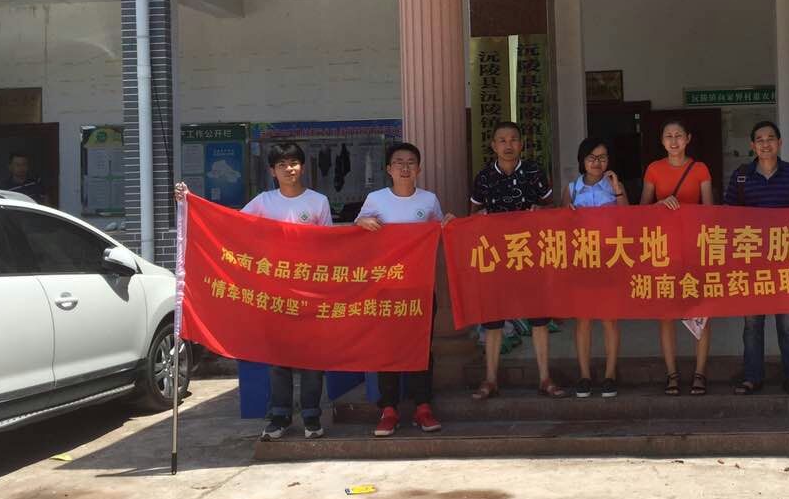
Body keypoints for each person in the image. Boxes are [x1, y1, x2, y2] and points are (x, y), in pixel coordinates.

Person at [175, 141, 333, 441]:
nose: (289, 169)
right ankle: (280, 415)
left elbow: (327, 246)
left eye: (294, 162)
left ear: (302, 166)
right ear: (272, 171)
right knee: (278, 359)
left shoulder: (318, 202)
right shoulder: (263, 202)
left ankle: (312, 415)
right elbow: (231, 224)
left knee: (312, 359)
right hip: (272, 292)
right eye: (282, 164)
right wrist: (191, 204)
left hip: (308, 291)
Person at [356, 142, 454, 436]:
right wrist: (361, 222)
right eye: (398, 162)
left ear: (419, 169)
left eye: (411, 162)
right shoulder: (375, 199)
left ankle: (423, 406)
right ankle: (389, 409)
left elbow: (439, 233)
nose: (404, 167)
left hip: (420, 288)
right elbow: (357, 234)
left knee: (421, 346)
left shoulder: (429, 199)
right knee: (387, 348)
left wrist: (449, 225)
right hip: (386, 288)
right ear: (389, 169)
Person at [469, 121, 562, 399]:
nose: (508, 145)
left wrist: (541, 211)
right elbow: (472, 215)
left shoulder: (534, 172)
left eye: (513, 140)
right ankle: (490, 380)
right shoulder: (484, 177)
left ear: (521, 144)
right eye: (502, 140)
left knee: (539, 317)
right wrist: (479, 217)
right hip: (496, 257)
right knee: (493, 319)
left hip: (530, 255)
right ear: (493, 145)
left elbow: (552, 208)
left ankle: (545, 378)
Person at [723, 120, 789, 396]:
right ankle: (752, 377)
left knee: (787, 324)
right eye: (759, 140)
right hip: (751, 262)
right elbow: (729, 218)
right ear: (752, 145)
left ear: (779, 143)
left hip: (785, 260)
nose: (765, 144)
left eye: (770, 138)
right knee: (752, 323)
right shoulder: (741, 176)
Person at [640, 119, 714, 396]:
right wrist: (659, 205)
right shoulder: (654, 169)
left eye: (678, 136)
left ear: (688, 138)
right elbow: (641, 211)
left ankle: (700, 373)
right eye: (668, 136)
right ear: (662, 141)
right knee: (666, 315)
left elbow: (710, 210)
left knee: (701, 313)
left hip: (694, 248)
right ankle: (671, 374)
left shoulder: (700, 168)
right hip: (664, 250)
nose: (674, 141)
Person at [565, 137, 628, 398]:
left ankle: (610, 375)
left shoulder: (615, 186)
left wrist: (617, 190)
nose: (597, 162)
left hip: (610, 260)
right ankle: (584, 375)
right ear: (582, 160)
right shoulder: (572, 189)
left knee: (609, 318)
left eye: (602, 157)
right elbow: (562, 226)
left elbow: (629, 218)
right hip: (582, 261)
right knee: (583, 319)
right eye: (591, 157)